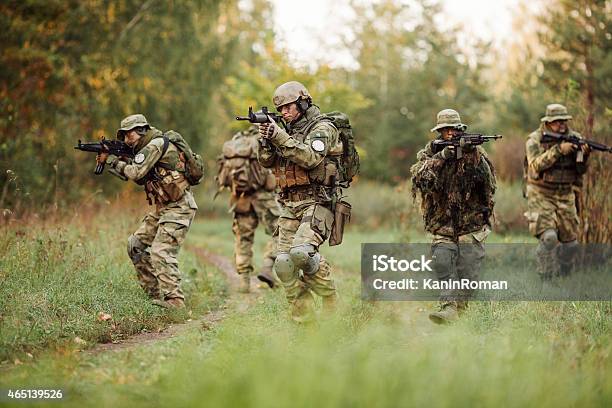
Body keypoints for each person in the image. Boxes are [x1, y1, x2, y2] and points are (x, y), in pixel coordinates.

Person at [257, 81, 343, 322]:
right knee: (283, 264)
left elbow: (311, 158)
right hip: (289, 204)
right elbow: (266, 162)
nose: (284, 113)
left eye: (288, 107)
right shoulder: (286, 130)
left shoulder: (323, 128)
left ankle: (330, 299)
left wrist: (280, 137)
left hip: (318, 202)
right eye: (281, 109)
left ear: (303, 102)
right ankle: (304, 318)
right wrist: (266, 139)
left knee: (301, 253)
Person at [97, 114, 198, 308]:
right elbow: (139, 177)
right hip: (164, 207)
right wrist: (120, 159)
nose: (127, 140)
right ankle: (153, 296)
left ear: (142, 131)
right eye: (123, 136)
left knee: (160, 251)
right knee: (135, 244)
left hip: (179, 207)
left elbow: (135, 173)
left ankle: (175, 300)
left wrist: (112, 160)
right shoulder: (146, 148)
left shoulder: (155, 145)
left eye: (129, 135)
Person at [411, 109, 496, 324]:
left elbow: (489, 185)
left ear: (460, 130)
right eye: (445, 130)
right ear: (439, 132)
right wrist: (442, 157)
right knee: (441, 259)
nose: (450, 133)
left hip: (471, 224)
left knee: (468, 272)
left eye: (454, 130)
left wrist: (473, 156)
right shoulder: (430, 153)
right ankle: (448, 306)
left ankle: (459, 312)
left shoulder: (477, 155)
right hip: (442, 223)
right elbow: (420, 180)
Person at [524, 104, 589, 279]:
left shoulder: (575, 138)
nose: (561, 125)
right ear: (548, 122)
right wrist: (559, 150)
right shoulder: (535, 140)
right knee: (549, 237)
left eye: (564, 121)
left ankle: (563, 272)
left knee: (571, 245)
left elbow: (581, 171)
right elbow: (535, 165)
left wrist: (583, 155)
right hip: (541, 193)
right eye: (557, 122)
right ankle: (546, 278)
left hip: (565, 194)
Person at [216, 125, 281, 293]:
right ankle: (268, 266)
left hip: (241, 198)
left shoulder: (235, 144)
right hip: (264, 198)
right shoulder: (263, 142)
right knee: (280, 232)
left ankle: (244, 281)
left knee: (243, 239)